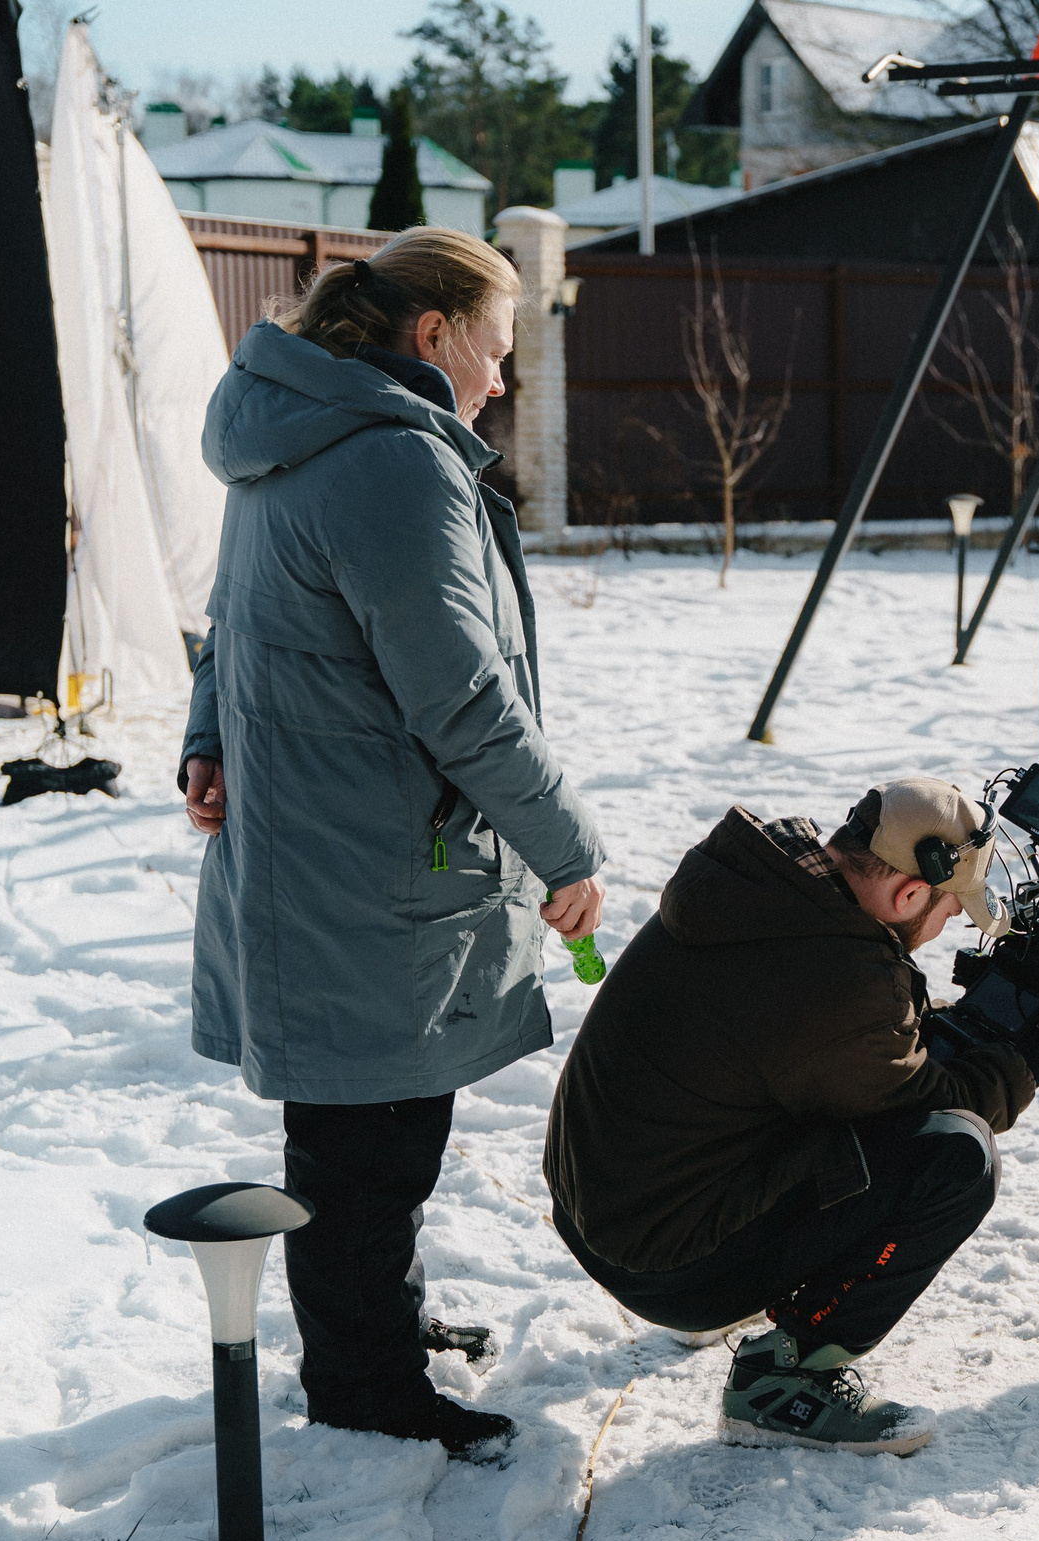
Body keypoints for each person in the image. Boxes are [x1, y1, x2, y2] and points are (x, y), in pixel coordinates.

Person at [179, 227, 608, 1454]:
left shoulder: (294, 431)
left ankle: (377, 1330)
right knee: (370, 1142)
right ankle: (365, 1388)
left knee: (363, 1127)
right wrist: (565, 845)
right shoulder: (391, 459)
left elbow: (236, 619)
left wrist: (206, 738)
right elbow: (461, 696)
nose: (501, 381)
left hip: (319, 834)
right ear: (434, 334)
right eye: (496, 350)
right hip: (366, 858)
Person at [543, 778, 1039, 1454]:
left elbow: (860, 1056)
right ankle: (780, 1380)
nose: (946, 930)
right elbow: (933, 1103)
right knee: (958, 1154)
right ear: (909, 894)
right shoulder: (833, 973)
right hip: (660, 1265)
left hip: (600, 1209)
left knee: (872, 1114)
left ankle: (732, 1279)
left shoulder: (764, 890)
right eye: (949, 912)